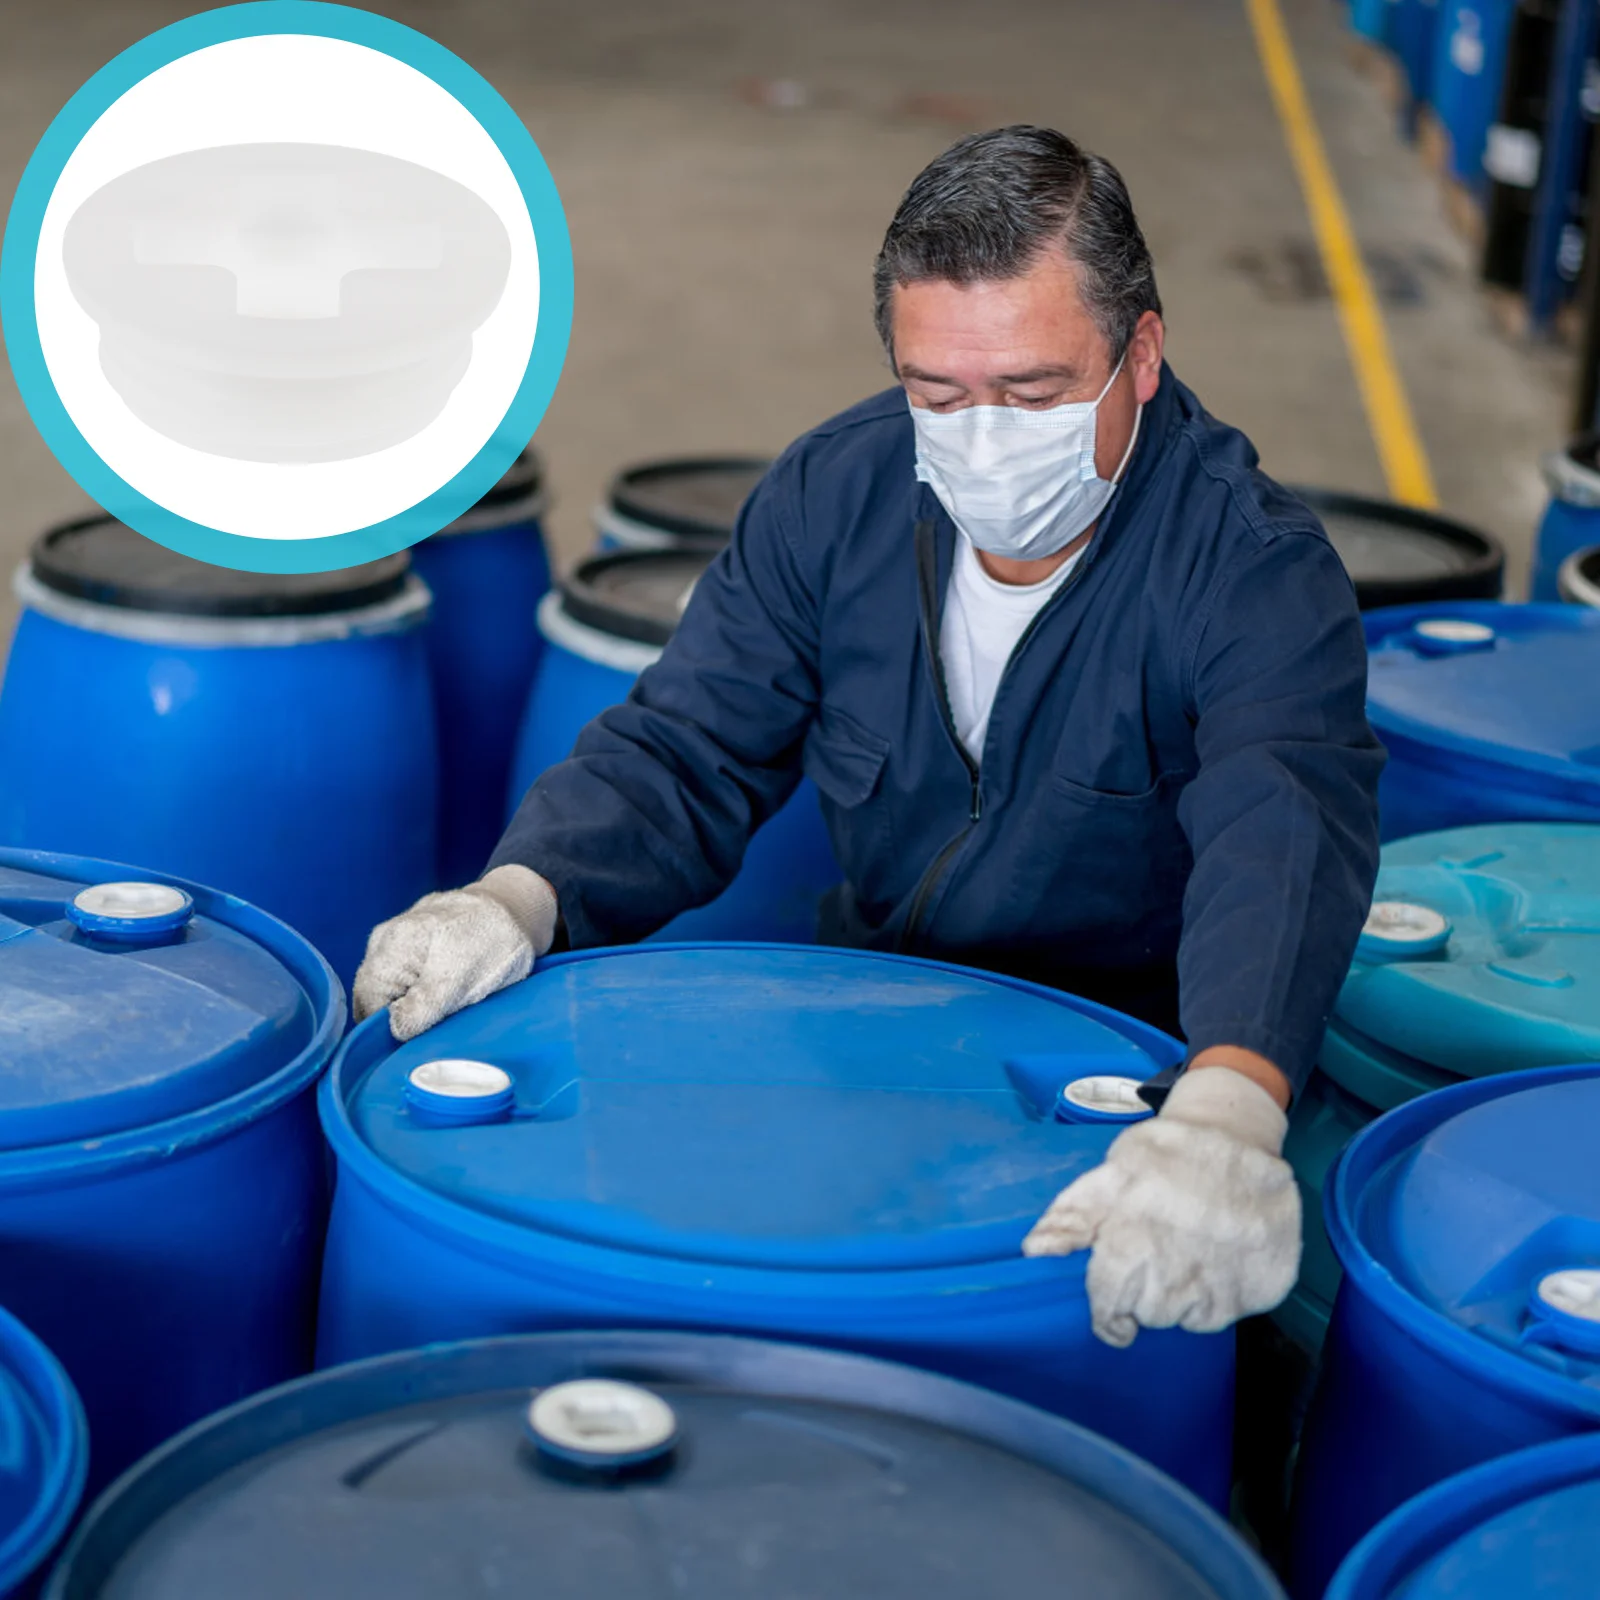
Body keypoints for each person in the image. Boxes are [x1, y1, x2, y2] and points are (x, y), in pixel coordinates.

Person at [355, 125, 1382, 1349]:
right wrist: (518, 896)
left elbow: (1282, 833)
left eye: (1033, 394)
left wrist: (1225, 1109)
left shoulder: (1250, 572)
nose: (983, 438)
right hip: (877, 1034)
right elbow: (688, 743)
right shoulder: (833, 497)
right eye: (937, 394)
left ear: (1142, 354)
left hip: (1119, 1091)